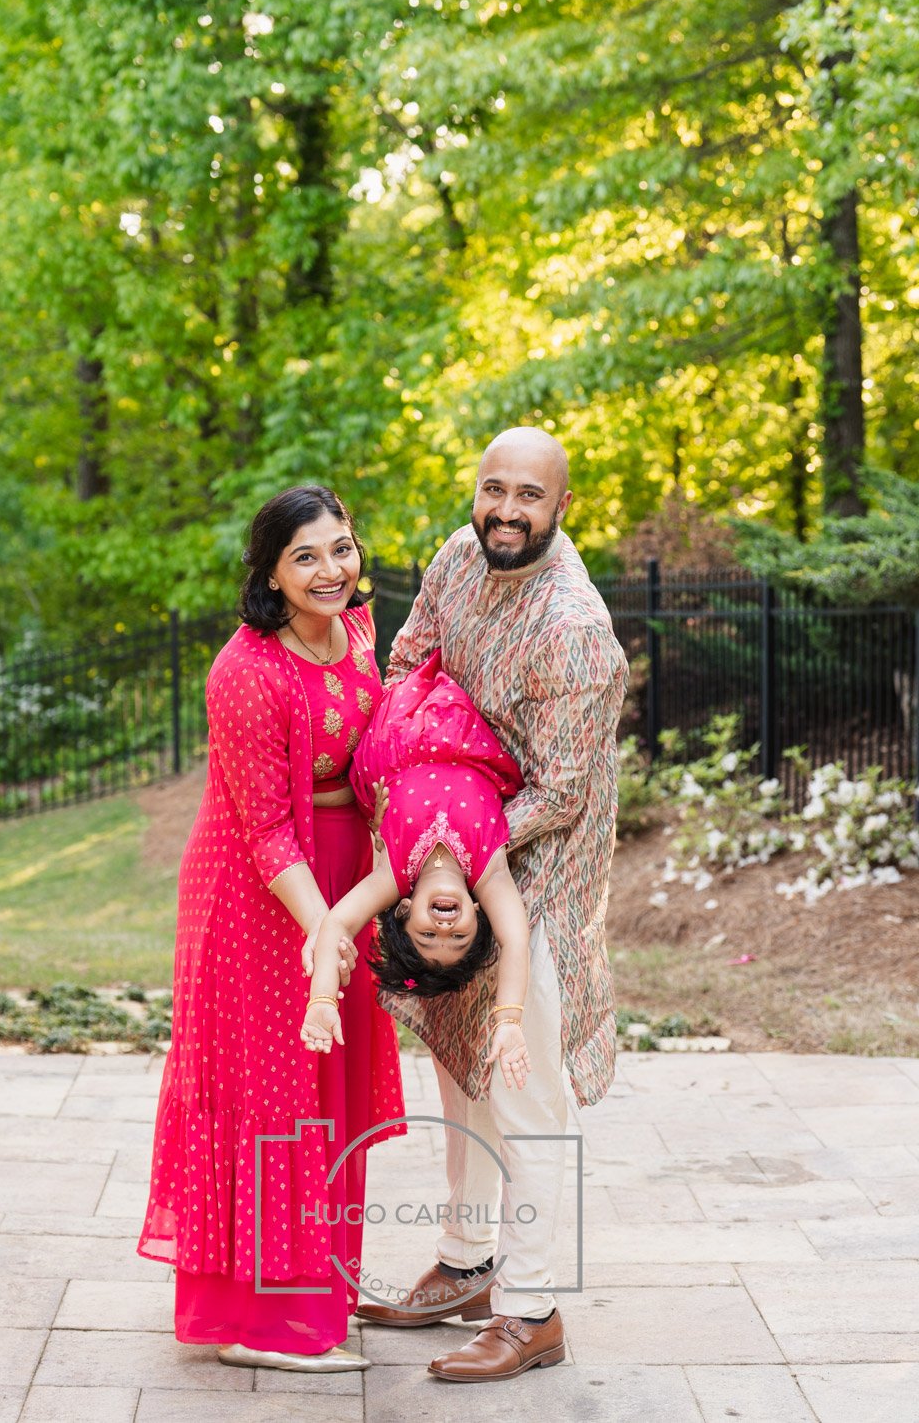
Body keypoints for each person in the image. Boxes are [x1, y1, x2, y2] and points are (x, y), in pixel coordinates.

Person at [354, 428, 628, 1383]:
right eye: (492, 490)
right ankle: (468, 1264)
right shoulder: (459, 557)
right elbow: (405, 661)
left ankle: (532, 1308)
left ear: (562, 507)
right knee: (460, 1056)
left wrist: (448, 838)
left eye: (530, 497)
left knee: (524, 1078)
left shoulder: (575, 632)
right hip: (450, 845)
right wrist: (423, 779)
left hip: (537, 862)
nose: (506, 511)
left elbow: (561, 791)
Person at [137, 485, 405, 1374]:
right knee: (274, 1092)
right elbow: (264, 833)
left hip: (342, 886)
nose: (332, 570)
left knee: (330, 1088)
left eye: (342, 547)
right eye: (307, 557)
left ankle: (319, 1278)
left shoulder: (360, 635)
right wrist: (324, 932)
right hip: (263, 895)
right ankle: (267, 1322)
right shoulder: (244, 672)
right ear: (271, 573)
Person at [299, 649, 533, 1091]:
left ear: (404, 913)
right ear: (477, 915)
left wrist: (323, 997)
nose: (444, 928)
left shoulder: (393, 874)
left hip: (400, 730)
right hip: (462, 728)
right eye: (458, 936)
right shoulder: (488, 872)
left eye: (427, 935)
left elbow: (337, 923)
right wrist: (509, 1021)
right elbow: (515, 938)